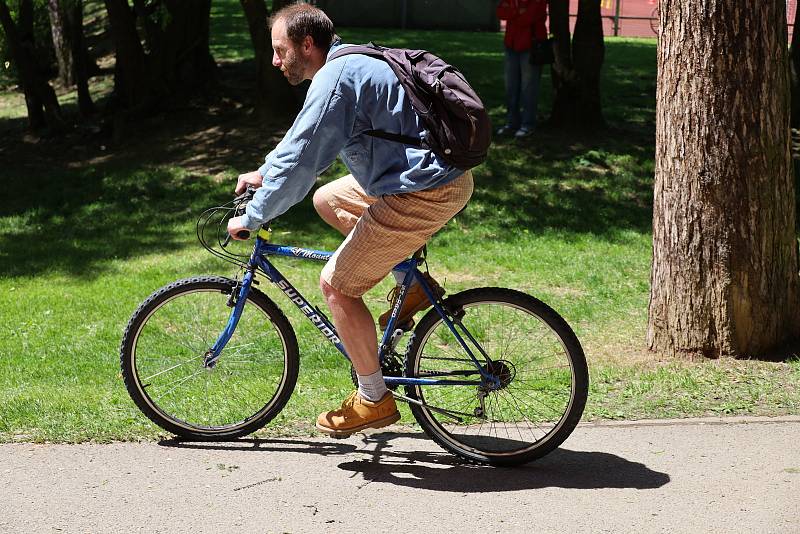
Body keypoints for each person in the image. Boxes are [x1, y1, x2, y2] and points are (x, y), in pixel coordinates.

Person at [226, 4, 473, 437]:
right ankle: (412, 284)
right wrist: (264, 172)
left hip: (423, 189)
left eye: (280, 50)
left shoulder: (336, 80)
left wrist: (254, 214)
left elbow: (304, 160)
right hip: (418, 177)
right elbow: (300, 141)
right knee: (328, 198)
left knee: (336, 285)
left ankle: (374, 398)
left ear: (307, 44)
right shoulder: (344, 65)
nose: (274, 61)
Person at [495, 0, 548, 138]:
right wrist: (518, 11)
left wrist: (513, 12)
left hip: (531, 45)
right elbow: (500, 12)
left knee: (529, 88)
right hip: (511, 44)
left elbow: (529, 17)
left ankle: (528, 124)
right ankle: (512, 123)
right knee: (511, 87)